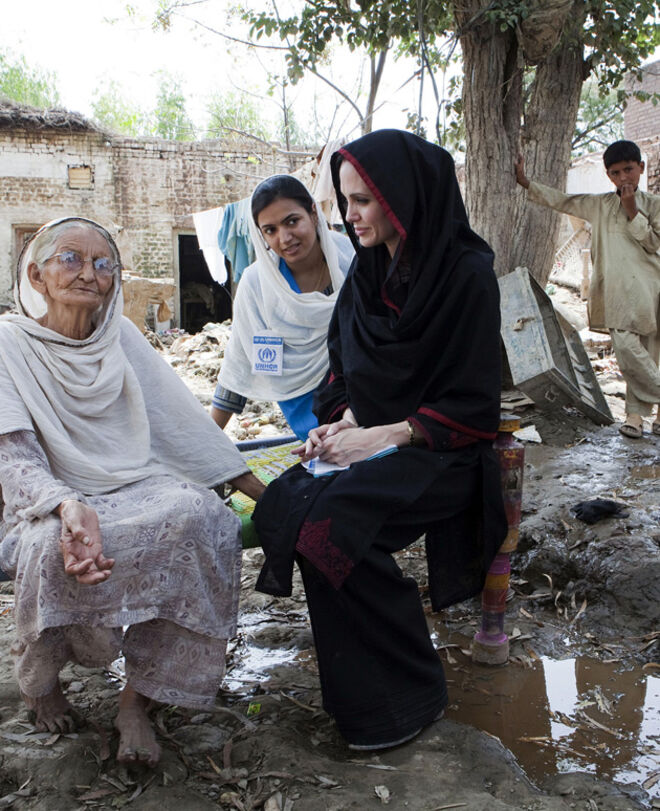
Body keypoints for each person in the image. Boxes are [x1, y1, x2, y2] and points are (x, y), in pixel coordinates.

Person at [252, 130, 507, 750]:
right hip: (375, 442)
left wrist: (384, 435)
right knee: (286, 506)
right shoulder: (367, 276)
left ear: (407, 196)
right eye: (346, 201)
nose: (352, 215)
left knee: (332, 529)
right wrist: (341, 422)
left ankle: (410, 693)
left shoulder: (468, 277)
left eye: (365, 200)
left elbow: (474, 406)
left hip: (442, 453)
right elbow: (342, 374)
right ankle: (362, 701)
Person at [0, 217, 265, 767]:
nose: (88, 274)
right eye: (69, 259)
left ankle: (135, 702)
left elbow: (179, 418)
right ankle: (41, 681)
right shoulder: (7, 342)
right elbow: (15, 456)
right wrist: (66, 504)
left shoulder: (117, 333)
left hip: (136, 483)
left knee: (200, 517)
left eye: (103, 264)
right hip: (47, 495)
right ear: (36, 273)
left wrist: (257, 489)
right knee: (47, 545)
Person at [515, 140, 660, 439]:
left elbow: (654, 243)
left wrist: (633, 211)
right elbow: (564, 201)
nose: (623, 179)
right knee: (628, 348)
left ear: (641, 169)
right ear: (608, 176)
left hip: (651, 290)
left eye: (629, 170)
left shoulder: (655, 205)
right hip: (617, 293)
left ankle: (636, 417)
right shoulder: (600, 205)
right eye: (616, 173)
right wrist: (527, 183)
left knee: (649, 351)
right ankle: (642, 409)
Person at [211, 175, 353, 441]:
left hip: (363, 418)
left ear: (312, 212)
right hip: (308, 430)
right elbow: (239, 362)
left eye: (292, 221)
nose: (284, 238)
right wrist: (206, 440)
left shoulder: (353, 263)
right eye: (270, 230)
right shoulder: (257, 285)